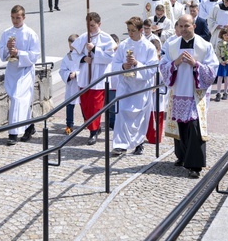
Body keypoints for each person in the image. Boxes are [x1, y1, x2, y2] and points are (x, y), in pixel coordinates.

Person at [160, 14, 219, 178]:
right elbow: (163, 66)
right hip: (178, 91)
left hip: (195, 93)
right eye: (181, 26)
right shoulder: (172, 45)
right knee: (181, 126)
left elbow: (213, 69)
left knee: (194, 127)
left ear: (194, 25)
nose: (184, 29)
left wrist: (195, 64)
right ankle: (183, 156)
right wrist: (175, 63)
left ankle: (195, 165)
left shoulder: (204, 46)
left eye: (187, 26)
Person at [111, 17, 158, 156]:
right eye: (128, 30)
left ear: (140, 30)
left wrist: (137, 64)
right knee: (122, 113)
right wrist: (123, 66)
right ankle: (120, 145)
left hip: (141, 87)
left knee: (140, 117)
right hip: (126, 85)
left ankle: (139, 143)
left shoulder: (149, 47)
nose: (130, 33)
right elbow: (114, 63)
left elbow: (152, 68)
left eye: (133, 31)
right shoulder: (124, 45)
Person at [0, 5, 41, 146]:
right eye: (13, 17)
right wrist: (7, 48)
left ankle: (13, 133)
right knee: (18, 100)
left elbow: (35, 55)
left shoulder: (30, 33)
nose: (15, 21)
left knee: (18, 99)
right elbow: (1, 54)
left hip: (25, 70)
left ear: (24, 17)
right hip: (12, 69)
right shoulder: (6, 33)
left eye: (18, 18)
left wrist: (19, 53)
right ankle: (29, 126)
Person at [72, 12, 116, 145]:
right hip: (85, 75)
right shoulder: (84, 37)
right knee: (85, 104)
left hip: (98, 77)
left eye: (92, 25)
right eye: (88, 25)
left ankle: (93, 132)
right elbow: (72, 55)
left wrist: (95, 50)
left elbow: (110, 58)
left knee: (95, 106)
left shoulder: (106, 38)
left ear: (99, 24)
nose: (90, 28)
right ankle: (94, 127)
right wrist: (84, 59)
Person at [59, 33, 79, 134]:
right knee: (70, 105)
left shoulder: (82, 55)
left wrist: (77, 74)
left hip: (81, 83)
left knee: (84, 104)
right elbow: (62, 70)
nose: (72, 48)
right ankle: (69, 125)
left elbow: (86, 69)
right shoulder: (67, 57)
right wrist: (68, 74)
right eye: (70, 45)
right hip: (71, 85)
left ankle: (88, 121)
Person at [214, 26, 228, 102]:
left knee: (227, 78)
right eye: (225, 35)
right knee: (220, 77)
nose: (227, 36)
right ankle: (218, 93)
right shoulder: (219, 44)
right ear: (222, 36)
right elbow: (217, 54)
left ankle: (225, 92)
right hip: (222, 62)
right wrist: (221, 61)